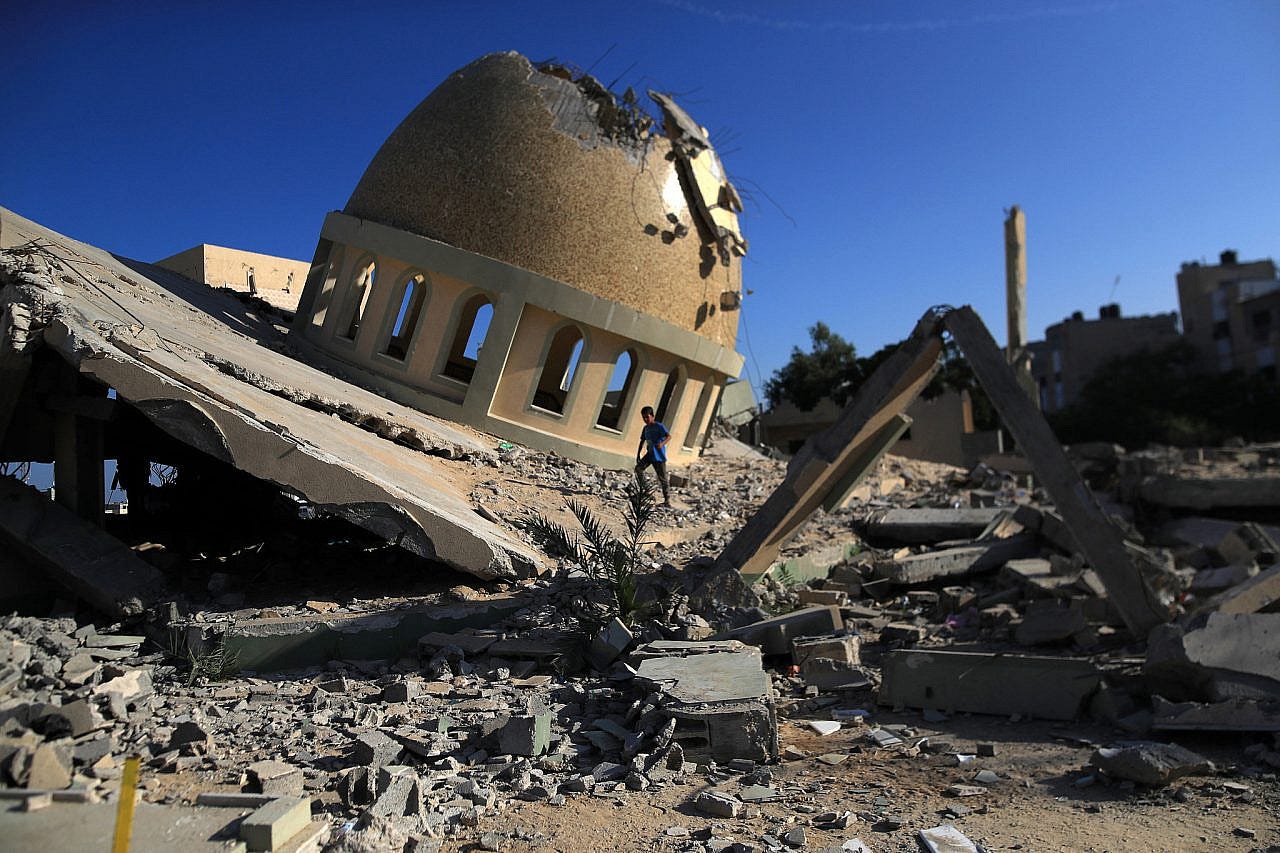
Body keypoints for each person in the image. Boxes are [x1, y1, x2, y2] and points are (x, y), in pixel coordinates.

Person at [635, 405, 671, 507]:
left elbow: (669, 436)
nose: (646, 419)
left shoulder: (659, 426)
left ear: (652, 416)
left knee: (663, 478)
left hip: (659, 457)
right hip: (650, 454)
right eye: (644, 417)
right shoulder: (645, 428)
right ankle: (646, 491)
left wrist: (662, 444)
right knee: (638, 469)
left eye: (647, 417)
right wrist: (638, 454)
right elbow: (642, 441)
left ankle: (667, 501)